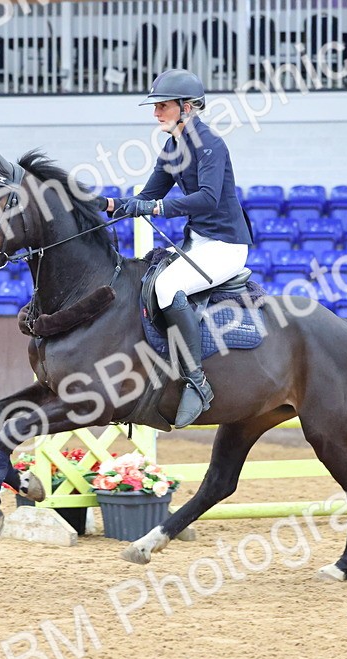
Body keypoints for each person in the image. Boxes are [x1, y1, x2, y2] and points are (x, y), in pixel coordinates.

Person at [104, 68, 254, 428]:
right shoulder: (172, 147)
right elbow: (148, 195)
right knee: (148, 283)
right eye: (155, 106)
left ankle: (197, 382)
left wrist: (156, 209)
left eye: (163, 106)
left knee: (169, 287)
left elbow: (207, 198)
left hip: (227, 245)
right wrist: (105, 205)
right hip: (198, 242)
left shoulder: (211, 145)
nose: (156, 113)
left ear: (187, 107)